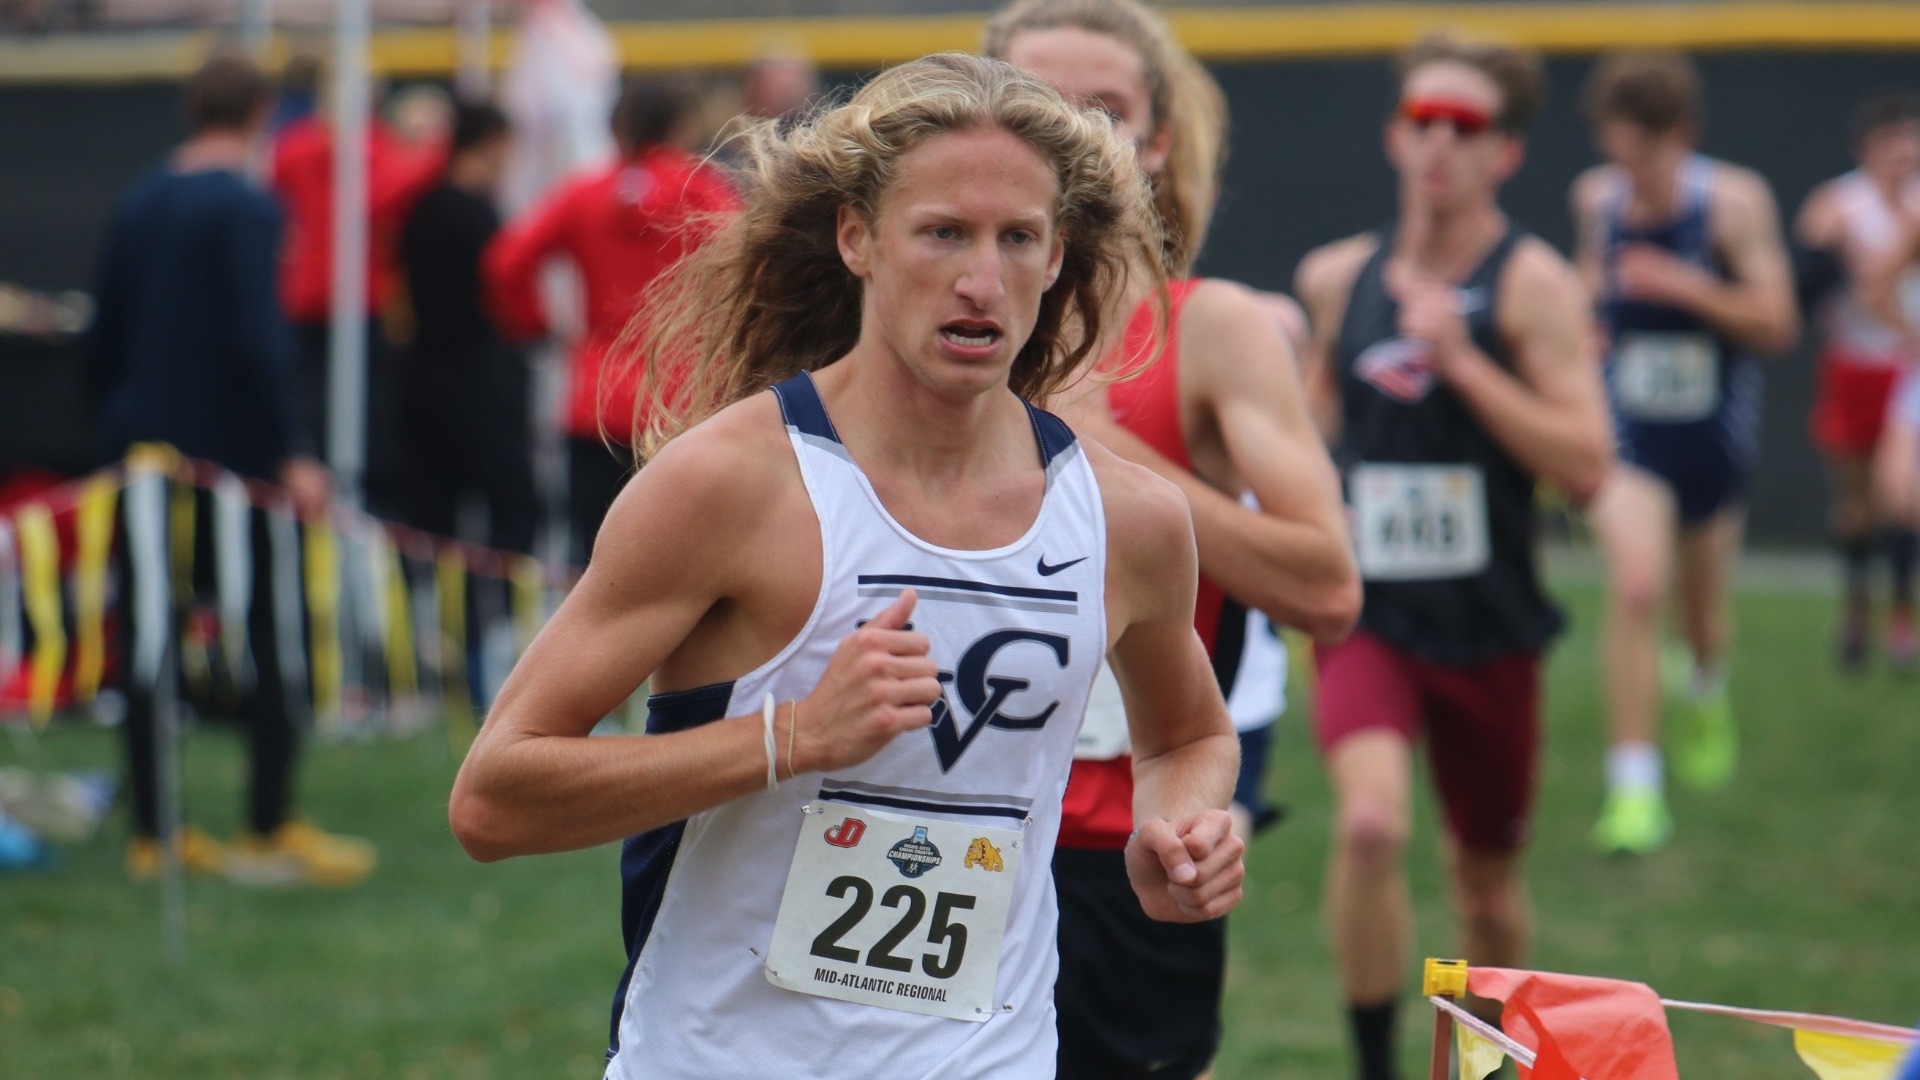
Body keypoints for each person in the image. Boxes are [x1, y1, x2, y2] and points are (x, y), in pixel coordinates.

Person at [448, 52, 1246, 1078]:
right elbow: (494, 799)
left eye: (1018, 239)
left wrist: (1175, 824)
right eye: (943, 232)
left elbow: (1187, 733)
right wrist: (793, 737)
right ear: (858, 236)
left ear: (1056, 260)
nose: (980, 279)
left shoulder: (1129, 518)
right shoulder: (729, 487)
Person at [986, 3, 1360, 1076]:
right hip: (930, 823)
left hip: (1123, 845)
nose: (1071, 136)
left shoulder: (1211, 330)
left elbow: (1327, 587)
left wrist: (1107, 452)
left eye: (1105, 111)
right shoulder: (916, 324)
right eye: (1038, 105)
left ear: (1153, 141)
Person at [1294, 32, 1611, 1080]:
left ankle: (1487, 1062)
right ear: (1394, 133)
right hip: (1370, 615)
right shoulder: (1338, 278)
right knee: (1374, 827)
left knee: (1486, 892)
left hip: (1488, 624)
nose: (1438, 144)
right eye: (1422, 121)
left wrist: (1467, 364)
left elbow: (1588, 461)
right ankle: (1378, 1064)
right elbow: (1304, 436)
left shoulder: (1533, 286)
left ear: (1505, 153)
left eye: (1464, 128)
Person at [88, 54, 375, 887]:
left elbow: (105, 336)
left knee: (147, 638)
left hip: (141, 456)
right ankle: (268, 821)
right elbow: (260, 340)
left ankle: (154, 831)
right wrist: (292, 447)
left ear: (189, 108)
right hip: (233, 468)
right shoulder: (247, 207)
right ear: (261, 113)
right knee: (274, 632)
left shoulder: (138, 199)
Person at [1571, 50, 1798, 854]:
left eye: (1646, 157)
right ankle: (1635, 790)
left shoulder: (1731, 203)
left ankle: (1705, 688)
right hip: (1630, 436)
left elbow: (1777, 321)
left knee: (1700, 614)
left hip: (1711, 436)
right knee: (1636, 587)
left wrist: (1683, 284)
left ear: (1682, 137)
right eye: (1618, 154)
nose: (1631, 175)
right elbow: (1587, 292)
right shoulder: (1596, 201)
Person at [484, 78, 738, 566]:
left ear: (616, 128)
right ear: (681, 126)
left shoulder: (583, 193)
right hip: (680, 400)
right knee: (679, 562)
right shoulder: (705, 194)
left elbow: (506, 262)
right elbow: (758, 268)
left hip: (594, 397)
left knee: (592, 558)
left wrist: (535, 325)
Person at [270, 73, 445, 515]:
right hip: (358, 299)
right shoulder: (377, 151)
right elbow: (393, 194)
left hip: (305, 296)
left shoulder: (294, 147)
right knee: (368, 416)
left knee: (311, 407)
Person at [1796, 92, 1920, 673]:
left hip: (1907, 371)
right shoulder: (1839, 207)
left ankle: (1901, 617)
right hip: (1852, 365)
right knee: (1856, 501)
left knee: (1905, 499)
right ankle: (1856, 610)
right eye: (1893, 149)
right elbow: (1808, 281)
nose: (1904, 161)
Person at [395, 100, 538, 559]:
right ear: (493, 141)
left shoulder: (422, 208)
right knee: (514, 506)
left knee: (432, 516)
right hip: (477, 380)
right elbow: (503, 296)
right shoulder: (480, 217)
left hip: (423, 377)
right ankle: (495, 618)